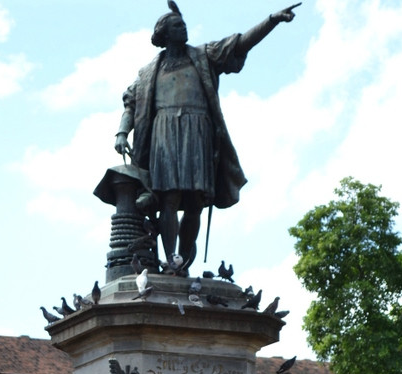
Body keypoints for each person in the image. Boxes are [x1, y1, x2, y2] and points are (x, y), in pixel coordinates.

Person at [115, 3, 300, 273]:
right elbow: (130, 103)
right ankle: (169, 259)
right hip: (164, 133)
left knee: (196, 202)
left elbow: (238, 44)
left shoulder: (203, 56)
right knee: (169, 197)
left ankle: (183, 261)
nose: (184, 27)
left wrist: (271, 20)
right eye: (177, 25)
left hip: (198, 131)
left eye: (184, 24)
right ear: (164, 34)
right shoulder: (147, 73)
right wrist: (122, 132)